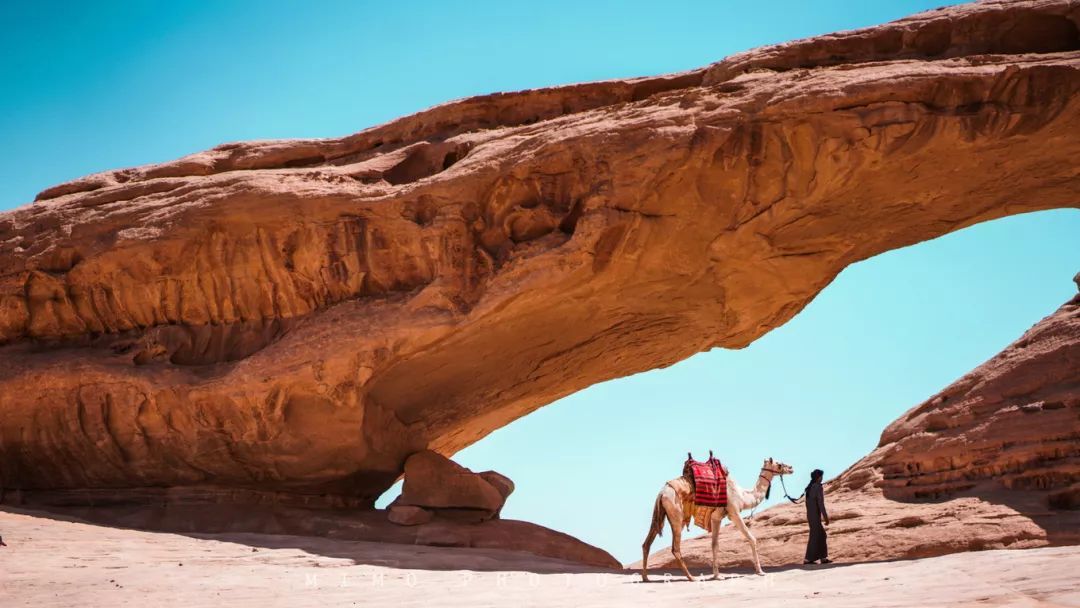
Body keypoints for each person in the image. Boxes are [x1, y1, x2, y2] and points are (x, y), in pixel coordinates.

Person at [803, 469, 831, 564]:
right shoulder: (817, 487)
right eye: (821, 476)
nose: (822, 478)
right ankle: (808, 559)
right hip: (815, 516)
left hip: (810, 516)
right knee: (816, 536)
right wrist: (826, 518)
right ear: (818, 477)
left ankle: (822, 558)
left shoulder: (810, 487)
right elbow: (821, 504)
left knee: (821, 535)